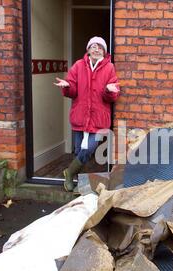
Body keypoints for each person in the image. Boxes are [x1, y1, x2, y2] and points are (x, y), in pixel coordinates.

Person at [54, 36, 120, 192]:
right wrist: (67, 86)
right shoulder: (78, 66)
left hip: (98, 118)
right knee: (78, 151)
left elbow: (112, 95)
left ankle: (69, 173)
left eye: (100, 47)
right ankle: (77, 180)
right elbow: (73, 91)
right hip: (80, 116)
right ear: (88, 50)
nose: (96, 49)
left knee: (89, 149)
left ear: (104, 51)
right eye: (93, 46)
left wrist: (109, 91)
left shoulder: (109, 68)